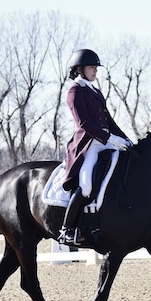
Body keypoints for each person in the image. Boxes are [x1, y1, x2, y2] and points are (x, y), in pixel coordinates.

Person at [58, 48, 133, 245]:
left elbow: (109, 120)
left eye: (95, 68)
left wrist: (125, 139)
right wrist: (110, 138)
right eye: (92, 68)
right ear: (80, 69)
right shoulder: (74, 91)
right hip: (89, 145)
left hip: (106, 142)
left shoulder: (94, 91)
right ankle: (67, 229)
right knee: (86, 187)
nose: (95, 71)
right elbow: (84, 123)